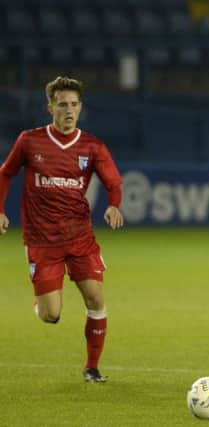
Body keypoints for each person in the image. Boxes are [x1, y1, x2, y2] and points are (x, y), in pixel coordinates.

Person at [0, 76, 124, 382]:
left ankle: (92, 367)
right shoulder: (30, 141)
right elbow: (6, 174)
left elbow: (113, 182)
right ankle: (42, 300)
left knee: (96, 300)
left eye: (74, 104)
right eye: (62, 104)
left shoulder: (92, 146)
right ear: (50, 107)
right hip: (42, 241)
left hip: (80, 236)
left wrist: (113, 204)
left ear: (80, 107)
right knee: (51, 315)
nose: (69, 110)